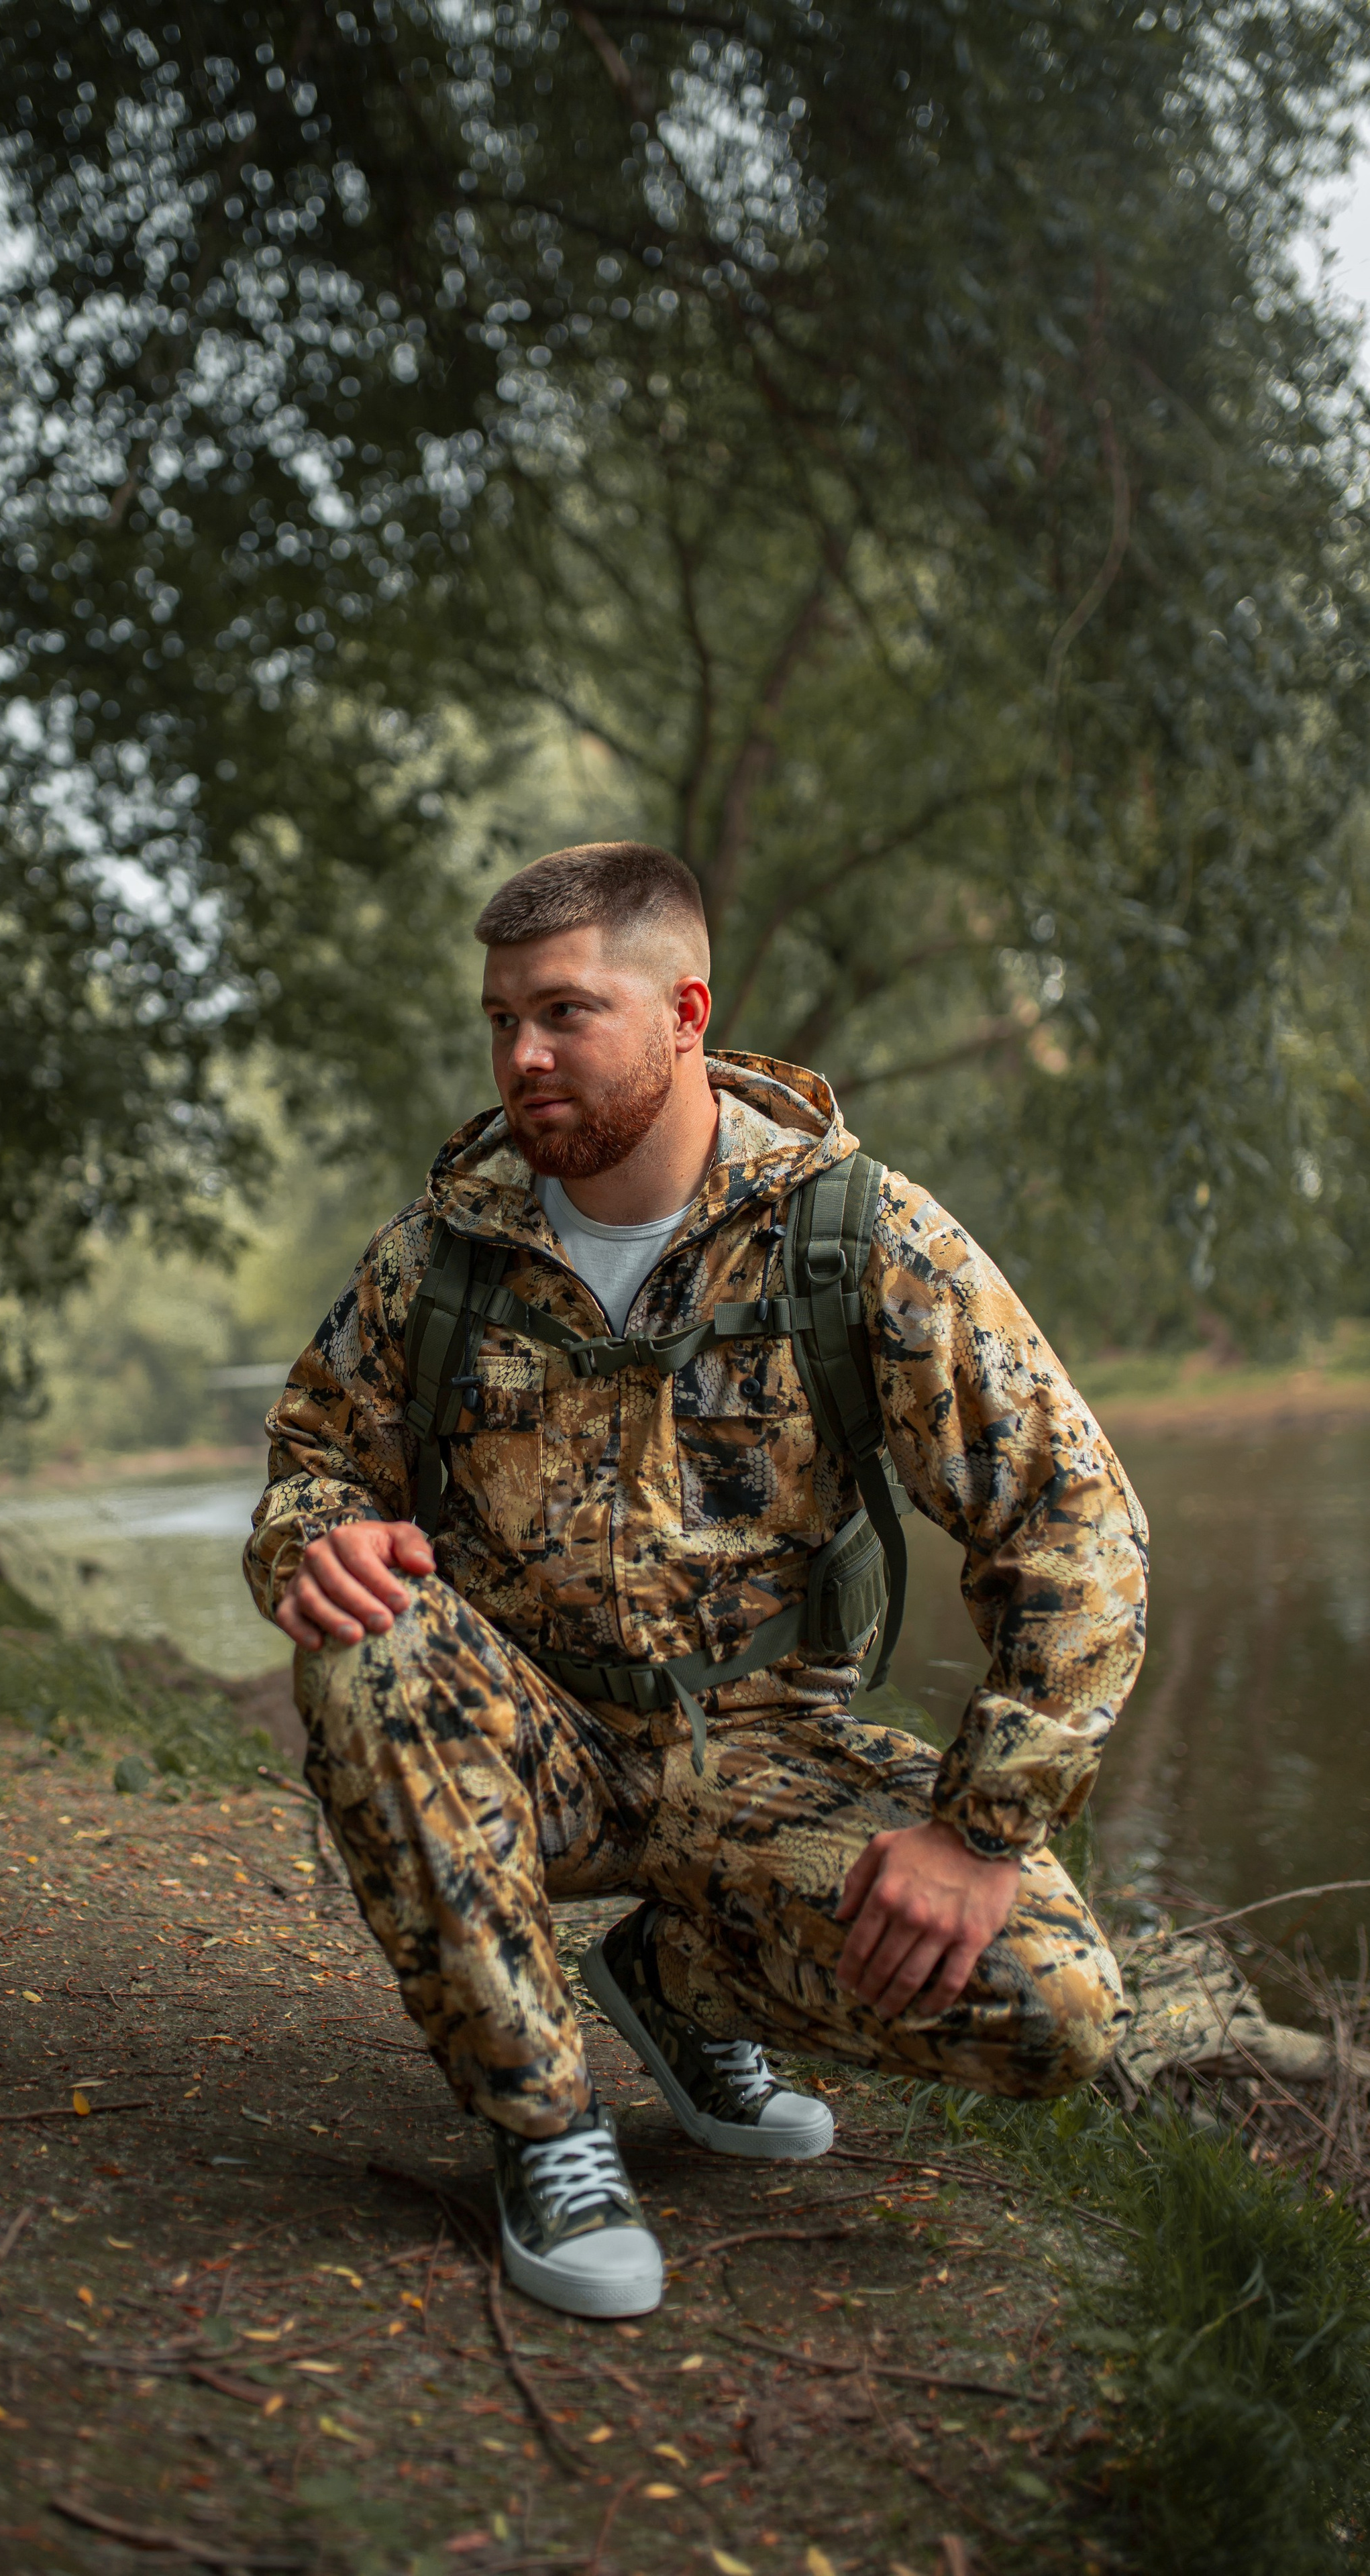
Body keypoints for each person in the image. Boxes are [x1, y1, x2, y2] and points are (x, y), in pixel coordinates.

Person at [246, 841, 1147, 2320]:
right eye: (497, 1020)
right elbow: (310, 1460)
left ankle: (678, 1980)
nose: (520, 1054)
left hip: (766, 1758)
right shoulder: (439, 1259)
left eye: (562, 1012)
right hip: (529, 1747)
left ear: (684, 1011)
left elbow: (1072, 1528)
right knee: (372, 1646)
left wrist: (979, 1833)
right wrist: (316, 1538)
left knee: (1053, 2011)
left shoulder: (857, 1240)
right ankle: (545, 2132)